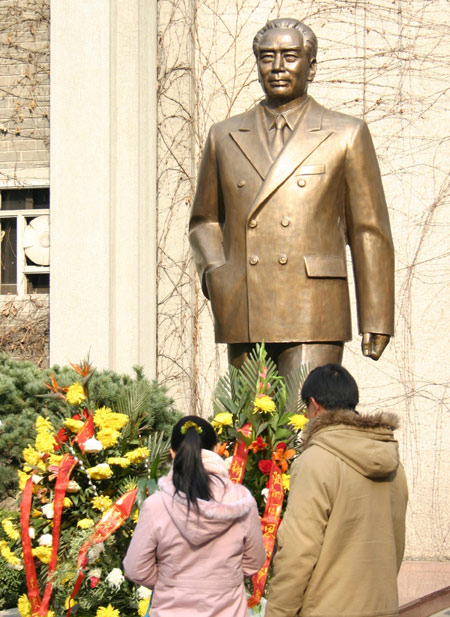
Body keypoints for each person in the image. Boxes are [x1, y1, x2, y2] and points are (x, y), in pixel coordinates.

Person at [189, 18, 394, 376]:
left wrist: (376, 313)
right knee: (246, 427)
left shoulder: (346, 133)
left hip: (313, 304)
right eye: (267, 57)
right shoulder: (223, 136)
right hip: (245, 302)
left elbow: (367, 229)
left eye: (290, 56)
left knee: (302, 424)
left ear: (311, 66)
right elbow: (204, 221)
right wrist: (216, 274)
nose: (278, 67)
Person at [265, 364, 408, 617]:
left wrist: (278, 612)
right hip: (383, 606)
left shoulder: (315, 461)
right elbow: (395, 542)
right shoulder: (394, 464)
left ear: (314, 405)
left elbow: (298, 551)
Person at [123, 415, 266, 616]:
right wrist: (223, 580)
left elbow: (135, 568)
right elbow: (255, 560)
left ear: (173, 453)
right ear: (216, 449)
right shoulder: (242, 504)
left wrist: (172, 583)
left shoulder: (156, 506)